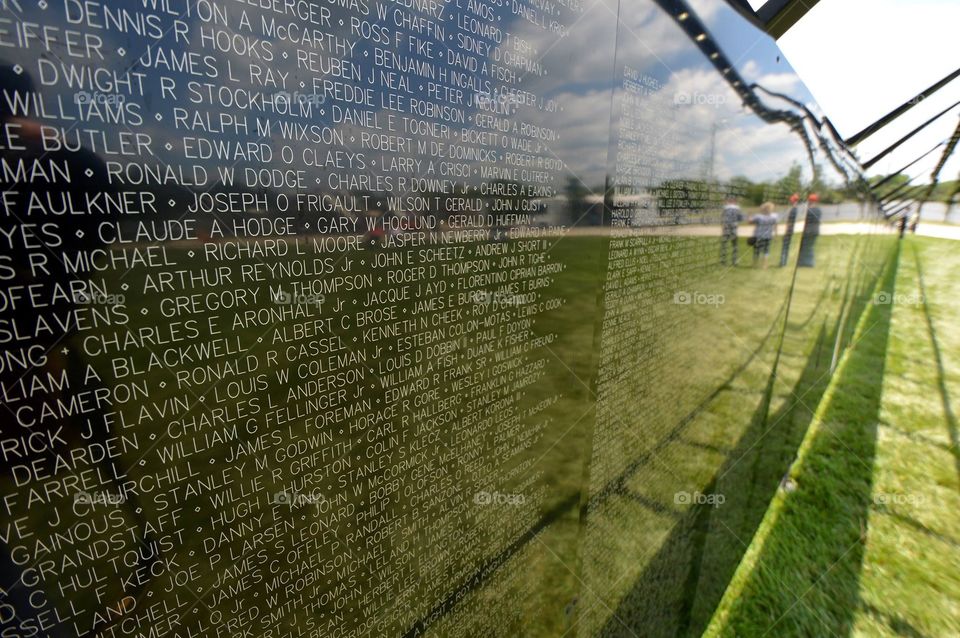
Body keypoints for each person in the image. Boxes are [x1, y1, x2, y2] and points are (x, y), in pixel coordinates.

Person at [797, 193, 822, 267]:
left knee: (805, 247)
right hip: (815, 230)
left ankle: (807, 263)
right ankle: (807, 262)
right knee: (810, 246)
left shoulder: (808, 210)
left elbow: (805, 220)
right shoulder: (818, 210)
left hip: (808, 230)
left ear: (810, 201)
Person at [751, 202, 778, 269]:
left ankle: (755, 264)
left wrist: (749, 216)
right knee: (766, 251)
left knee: (757, 250)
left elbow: (751, 222)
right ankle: (764, 265)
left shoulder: (758, 216)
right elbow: (775, 226)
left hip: (759, 235)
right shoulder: (774, 216)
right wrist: (776, 234)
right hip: (768, 236)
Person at [720, 196, 744, 266]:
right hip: (734, 227)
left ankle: (723, 261)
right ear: (734, 201)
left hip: (726, 227)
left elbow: (722, 218)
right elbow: (741, 218)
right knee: (735, 245)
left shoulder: (725, 208)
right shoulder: (738, 208)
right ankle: (734, 261)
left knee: (724, 244)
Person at [779, 193, 801, 267]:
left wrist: (786, 230)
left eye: (792, 200)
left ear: (795, 201)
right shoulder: (795, 209)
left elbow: (790, 222)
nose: (791, 202)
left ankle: (782, 262)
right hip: (791, 230)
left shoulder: (793, 210)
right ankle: (784, 262)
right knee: (787, 246)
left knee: (785, 246)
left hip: (789, 229)